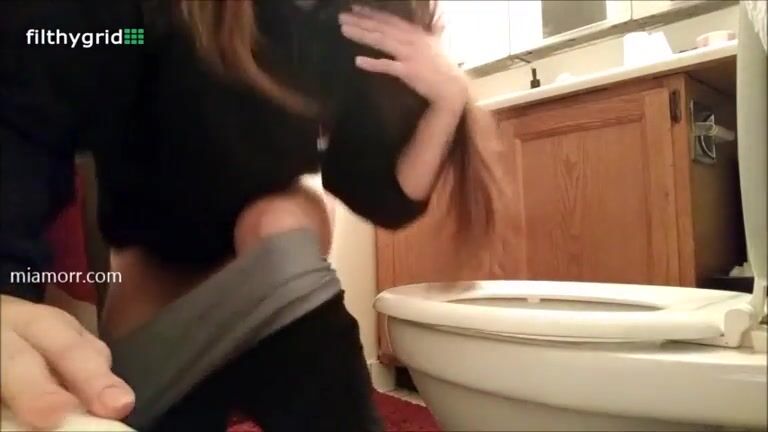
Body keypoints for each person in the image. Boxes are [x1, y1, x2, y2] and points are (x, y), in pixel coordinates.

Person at [0, 0, 501, 431]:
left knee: (278, 222)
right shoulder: (141, 22)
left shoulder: (338, 24)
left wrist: (447, 101)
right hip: (166, 305)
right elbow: (37, 86)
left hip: (276, 274)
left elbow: (378, 196)